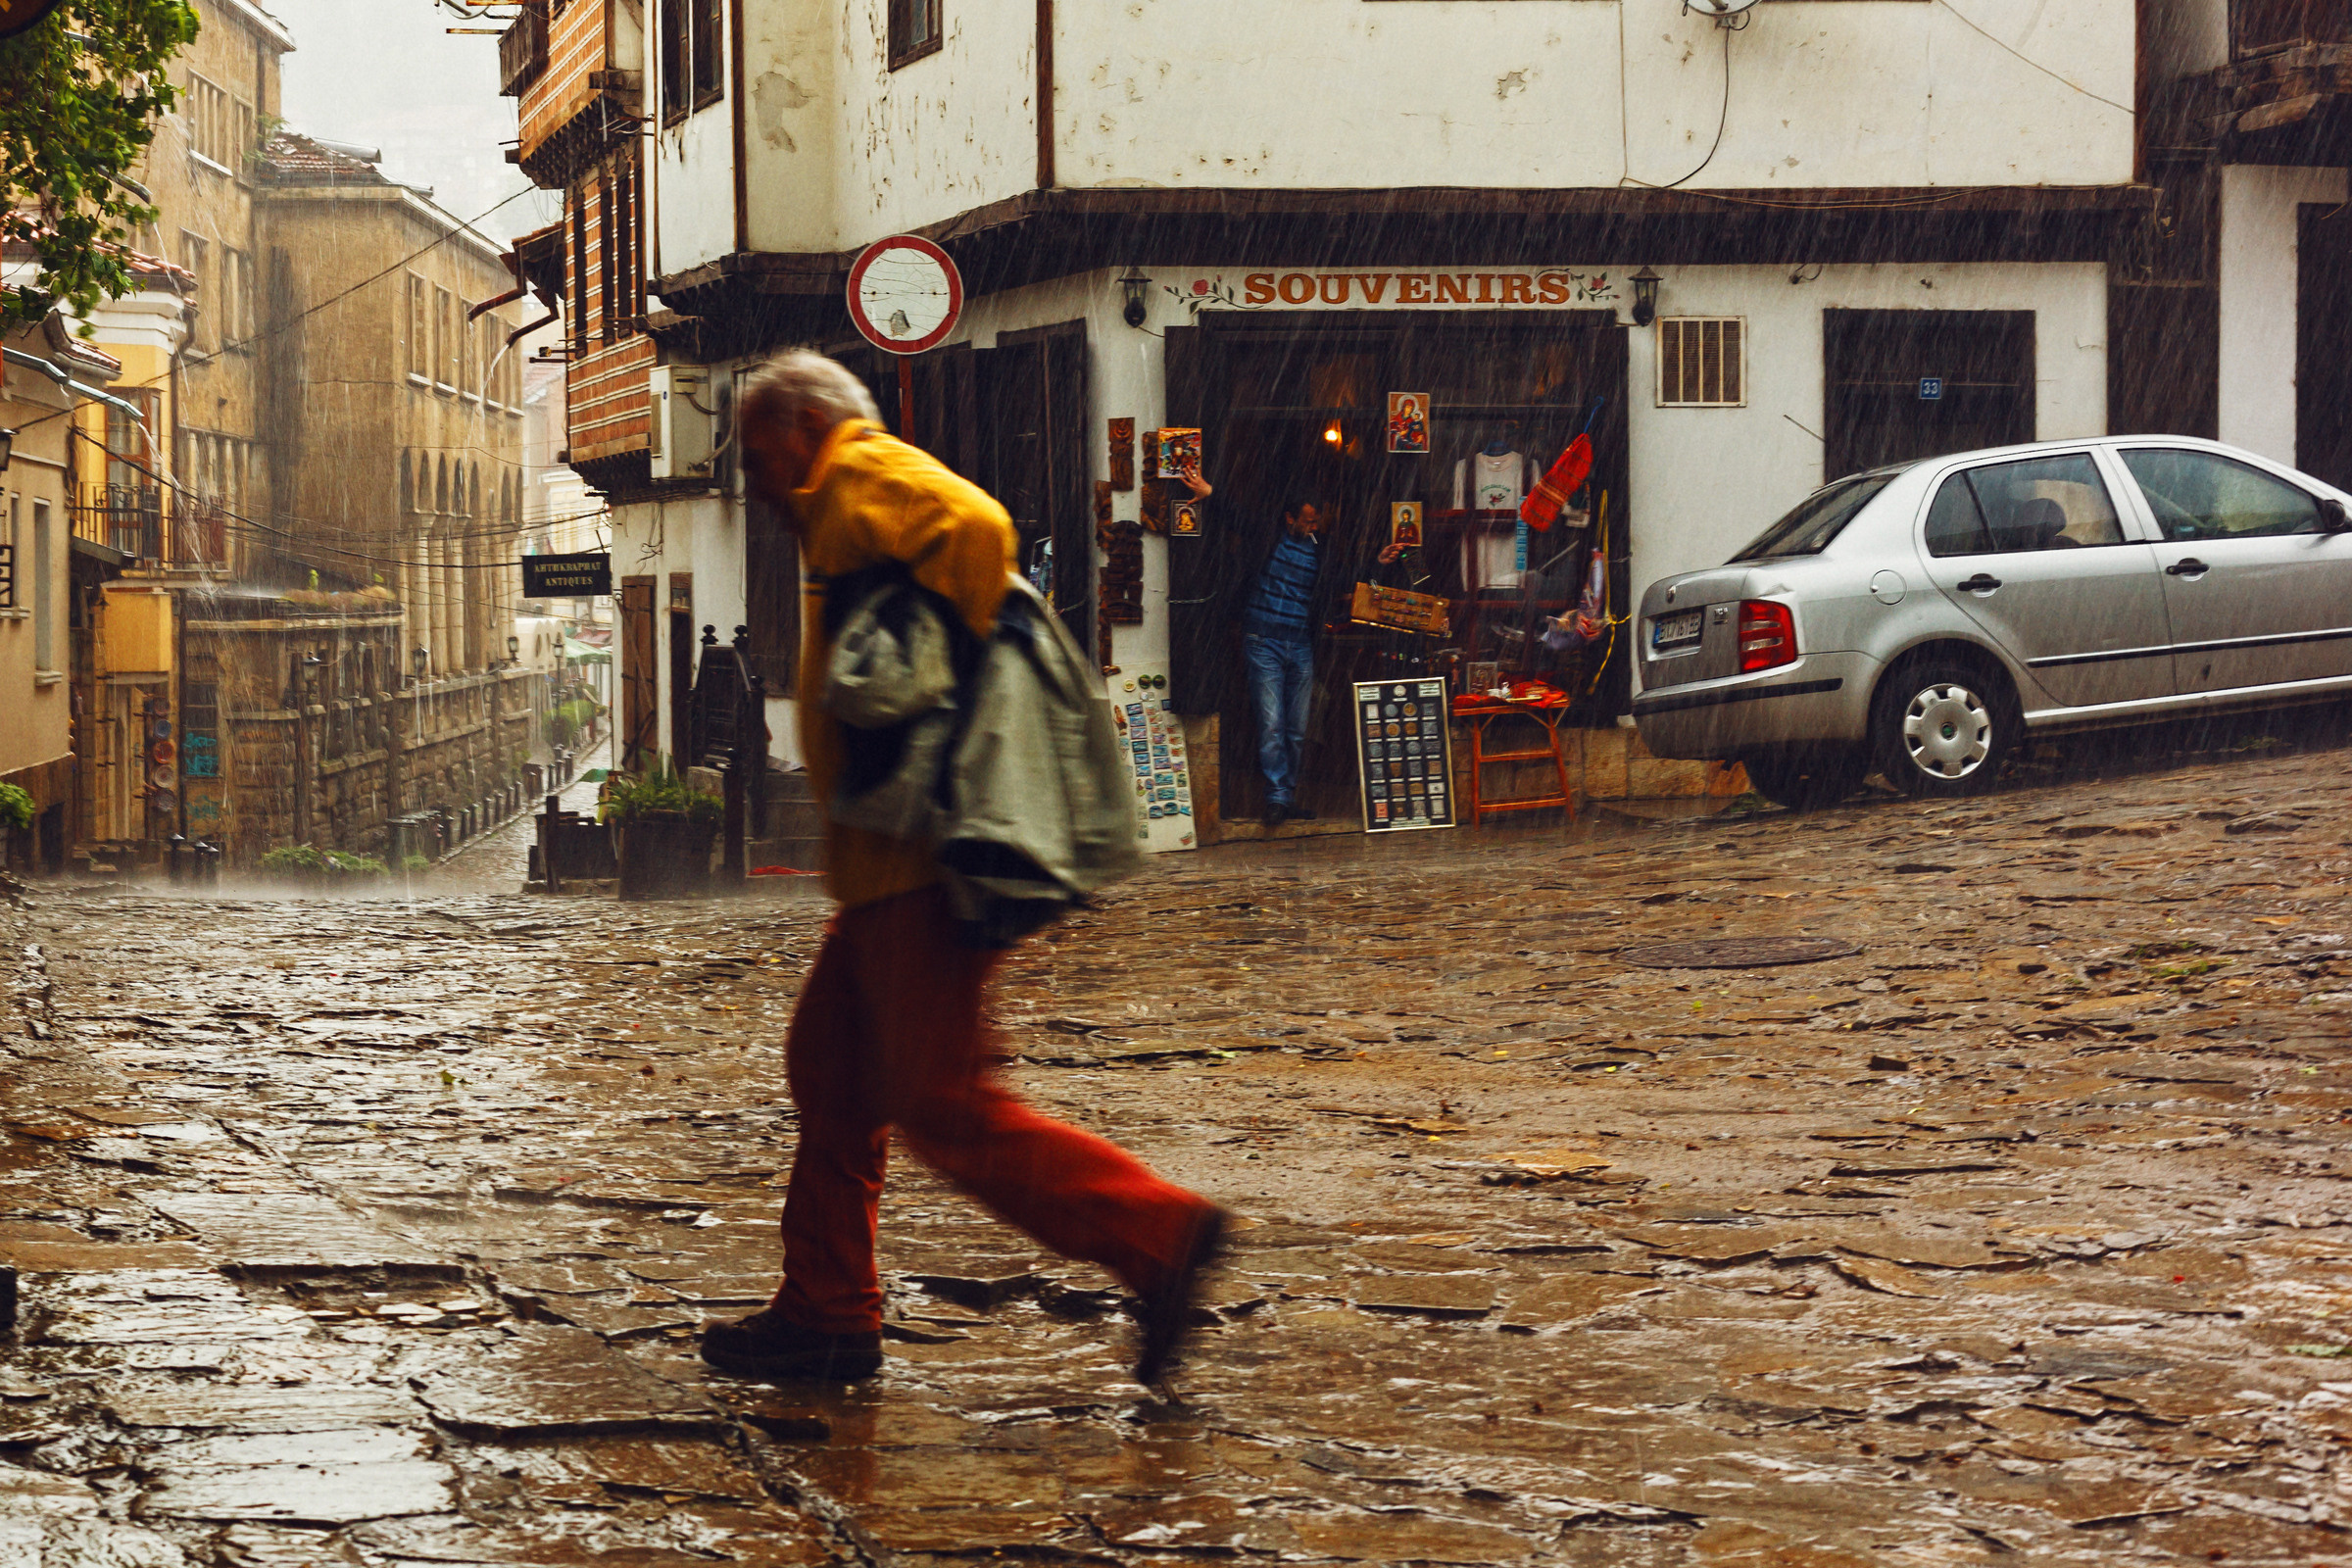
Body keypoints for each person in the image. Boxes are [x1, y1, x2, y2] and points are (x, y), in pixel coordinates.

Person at [703, 349, 1228, 1387]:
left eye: (756, 449)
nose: (750, 475)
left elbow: (979, 532)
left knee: (944, 1104)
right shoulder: (833, 507)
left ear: (801, 424)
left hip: (916, 862)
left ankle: (1157, 1233)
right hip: (879, 873)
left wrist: (925, 670)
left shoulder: (857, 472)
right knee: (831, 1075)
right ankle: (828, 1309)